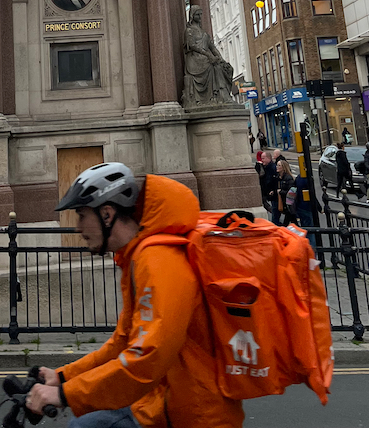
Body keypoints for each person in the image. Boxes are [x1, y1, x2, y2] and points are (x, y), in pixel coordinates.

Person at [24, 162, 242, 428]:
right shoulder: (136, 258)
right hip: (158, 403)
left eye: (81, 216)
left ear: (107, 214)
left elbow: (149, 355)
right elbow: (122, 344)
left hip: (192, 414)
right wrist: (62, 376)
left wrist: (64, 394)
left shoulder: (158, 261)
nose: (78, 229)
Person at [274, 157, 296, 226]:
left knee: (288, 224)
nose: (277, 167)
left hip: (289, 205)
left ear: (283, 168)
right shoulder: (278, 178)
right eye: (277, 165)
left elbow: (292, 192)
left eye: (279, 165)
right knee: (292, 224)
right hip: (284, 204)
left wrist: (280, 192)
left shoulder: (288, 178)